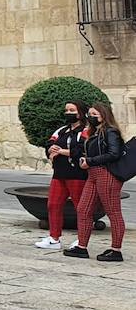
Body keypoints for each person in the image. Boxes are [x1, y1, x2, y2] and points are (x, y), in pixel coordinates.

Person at [67, 102, 126, 262]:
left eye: (95, 115)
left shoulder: (110, 131)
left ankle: (116, 250)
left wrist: (90, 160)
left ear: (104, 116)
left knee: (113, 211)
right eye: (90, 115)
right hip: (93, 175)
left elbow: (114, 153)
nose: (91, 117)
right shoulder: (93, 133)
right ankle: (82, 247)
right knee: (83, 209)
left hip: (107, 174)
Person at [38, 101, 89, 251]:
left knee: (80, 207)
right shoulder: (61, 130)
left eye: (72, 110)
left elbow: (82, 150)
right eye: (66, 110)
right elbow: (50, 143)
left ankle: (81, 240)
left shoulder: (85, 131)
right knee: (53, 205)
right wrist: (51, 150)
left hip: (77, 175)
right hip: (59, 173)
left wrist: (61, 151)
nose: (68, 113)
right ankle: (54, 238)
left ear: (80, 113)